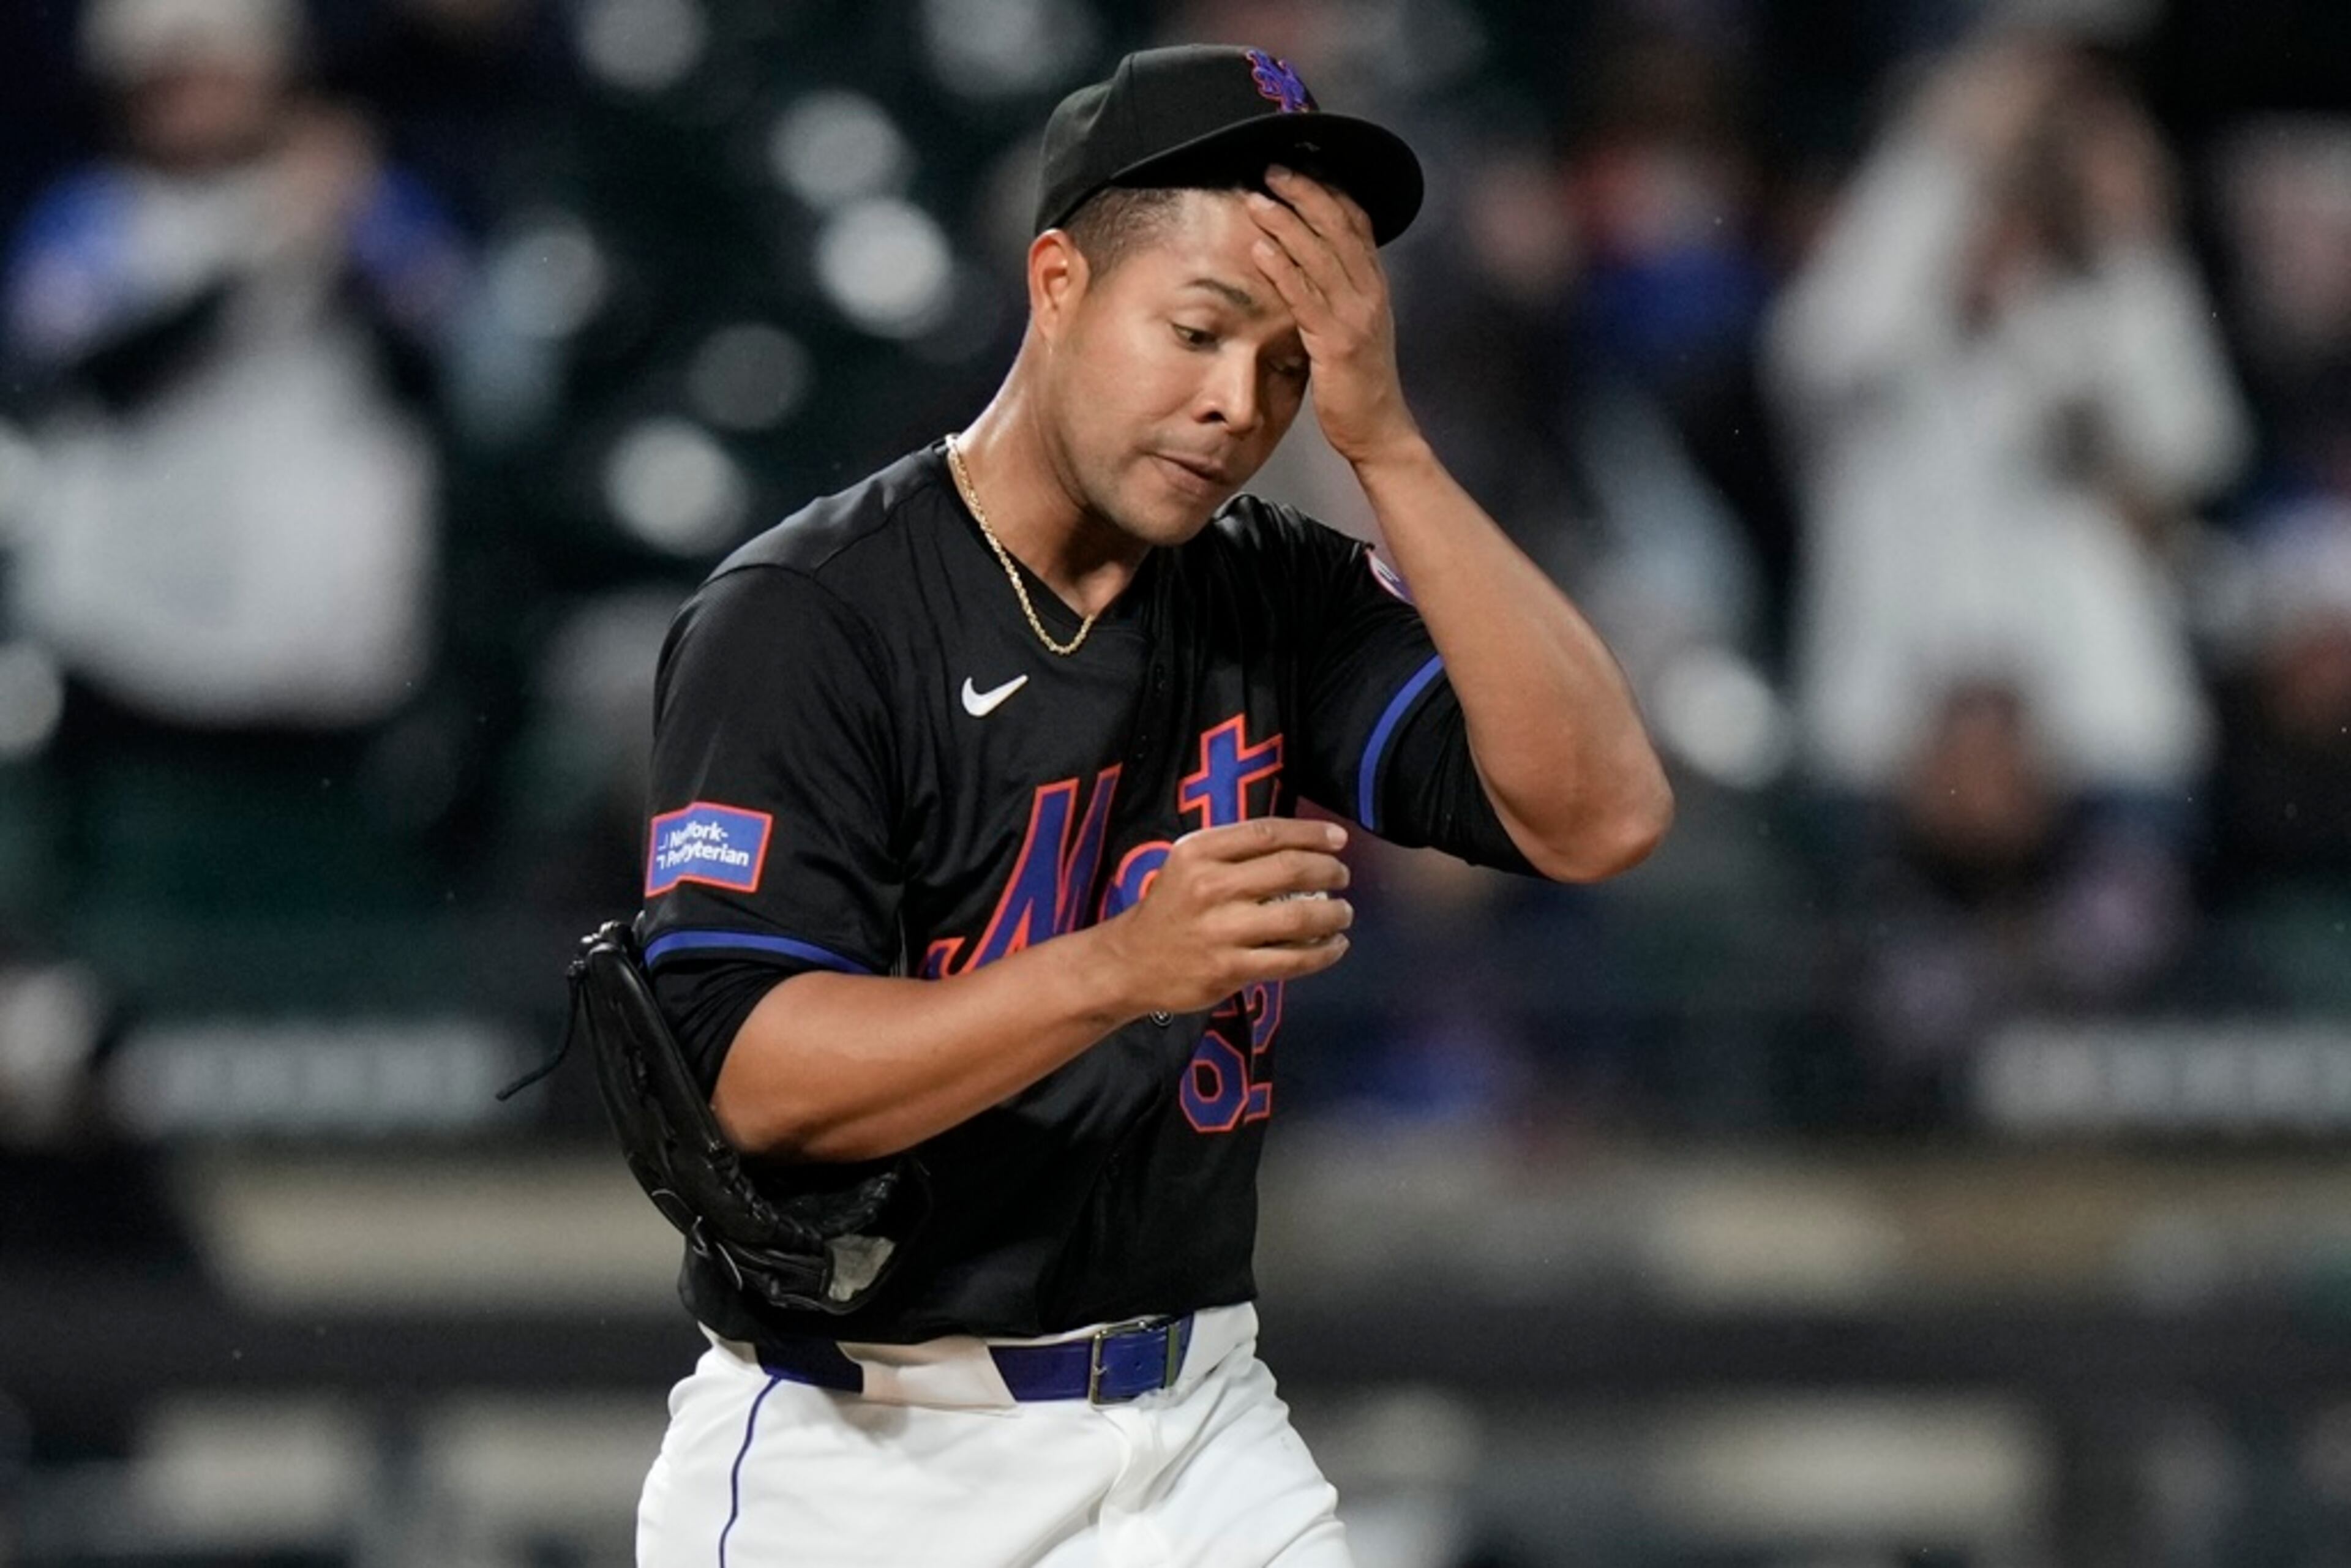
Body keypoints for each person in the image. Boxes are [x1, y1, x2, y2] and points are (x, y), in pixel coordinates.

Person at [632, 45, 1671, 1567]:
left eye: (1288, 364)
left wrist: (1386, 443)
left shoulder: (1273, 589)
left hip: (1197, 1432)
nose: (1234, 404)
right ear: (1057, 281)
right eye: (1195, 332)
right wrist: (1123, 967)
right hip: (863, 1451)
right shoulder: (809, 616)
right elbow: (759, 1081)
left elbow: (1599, 813)